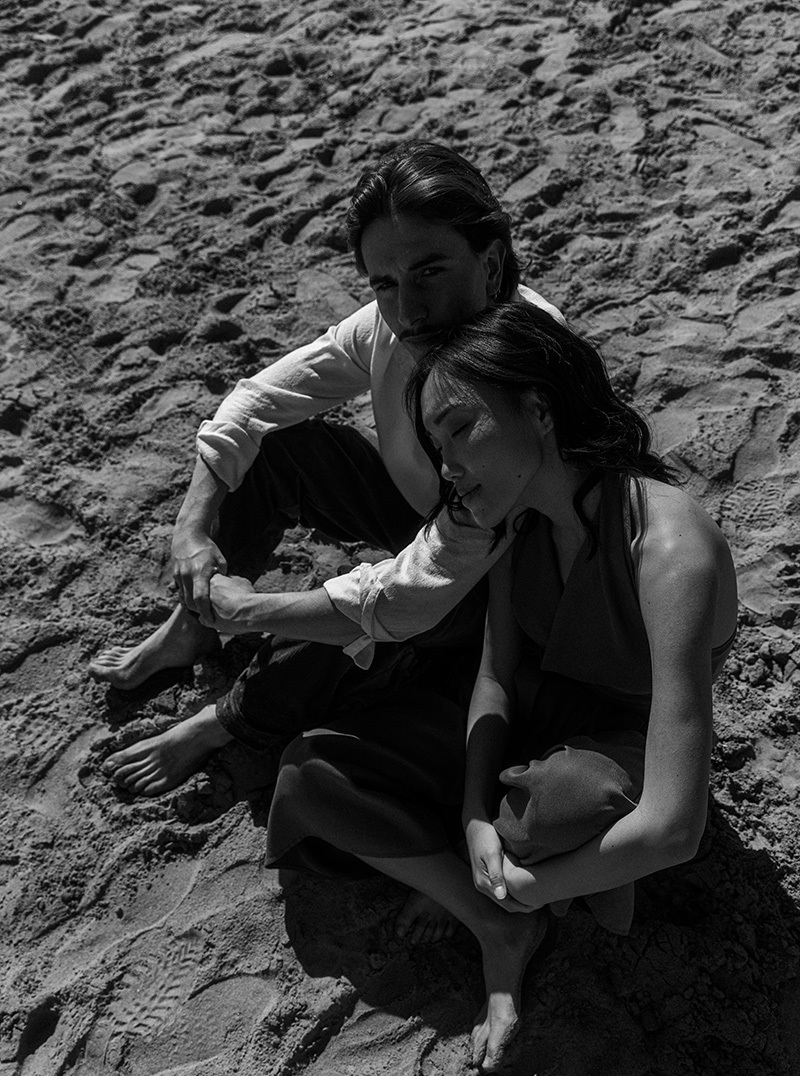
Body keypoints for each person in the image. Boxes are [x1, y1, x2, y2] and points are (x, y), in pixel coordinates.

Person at [262, 301, 738, 1071]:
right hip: (534, 728)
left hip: (625, 742)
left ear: (540, 409)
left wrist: (526, 887)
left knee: (578, 801)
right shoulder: (519, 523)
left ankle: (499, 902)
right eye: (434, 441)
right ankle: (489, 899)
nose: (446, 464)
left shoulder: (668, 546)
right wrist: (475, 812)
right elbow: (493, 679)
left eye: (459, 429)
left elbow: (677, 827)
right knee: (312, 771)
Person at [89, 143, 563, 833]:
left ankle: (226, 721)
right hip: (431, 516)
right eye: (384, 283)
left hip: (503, 591)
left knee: (345, 615)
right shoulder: (388, 328)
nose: (411, 307)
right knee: (278, 448)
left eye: (431, 270)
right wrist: (191, 526)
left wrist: (255, 610)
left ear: (491, 262)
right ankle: (191, 628)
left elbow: (410, 590)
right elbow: (257, 401)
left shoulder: (521, 377)